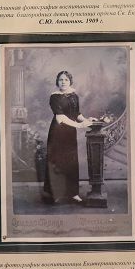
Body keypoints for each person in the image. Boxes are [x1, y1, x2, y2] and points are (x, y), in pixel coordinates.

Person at [41, 70, 93, 204]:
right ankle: (56, 193)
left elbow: (77, 113)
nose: (63, 82)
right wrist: (79, 125)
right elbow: (60, 118)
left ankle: (73, 193)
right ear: (57, 82)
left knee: (71, 161)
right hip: (57, 133)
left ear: (70, 81)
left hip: (70, 132)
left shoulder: (74, 95)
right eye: (61, 80)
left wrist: (87, 120)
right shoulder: (54, 97)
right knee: (57, 162)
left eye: (66, 80)